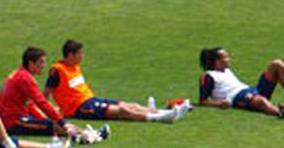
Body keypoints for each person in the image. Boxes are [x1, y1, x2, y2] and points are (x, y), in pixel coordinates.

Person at [44, 39, 186, 124]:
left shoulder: (74, 67)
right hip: (80, 107)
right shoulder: (57, 70)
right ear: (70, 55)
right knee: (122, 110)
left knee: (131, 105)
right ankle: (157, 118)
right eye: (80, 53)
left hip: (90, 100)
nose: (82, 56)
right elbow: (46, 93)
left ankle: (164, 113)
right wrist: (48, 110)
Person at [199, 48, 284, 118]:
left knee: (277, 64)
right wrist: (218, 105)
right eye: (226, 57)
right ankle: (280, 112)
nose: (229, 59)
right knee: (260, 101)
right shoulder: (208, 76)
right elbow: (202, 101)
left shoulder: (226, 70)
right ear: (216, 61)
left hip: (251, 90)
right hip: (237, 97)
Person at [0, 47, 82, 137]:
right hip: (14, 121)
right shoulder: (25, 79)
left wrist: (45, 118)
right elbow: (41, 102)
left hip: (13, 117)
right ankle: (84, 134)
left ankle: (83, 132)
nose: (43, 65)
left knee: (53, 122)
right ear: (31, 63)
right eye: (41, 62)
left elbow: (30, 103)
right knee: (53, 126)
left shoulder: (19, 73)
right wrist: (62, 122)